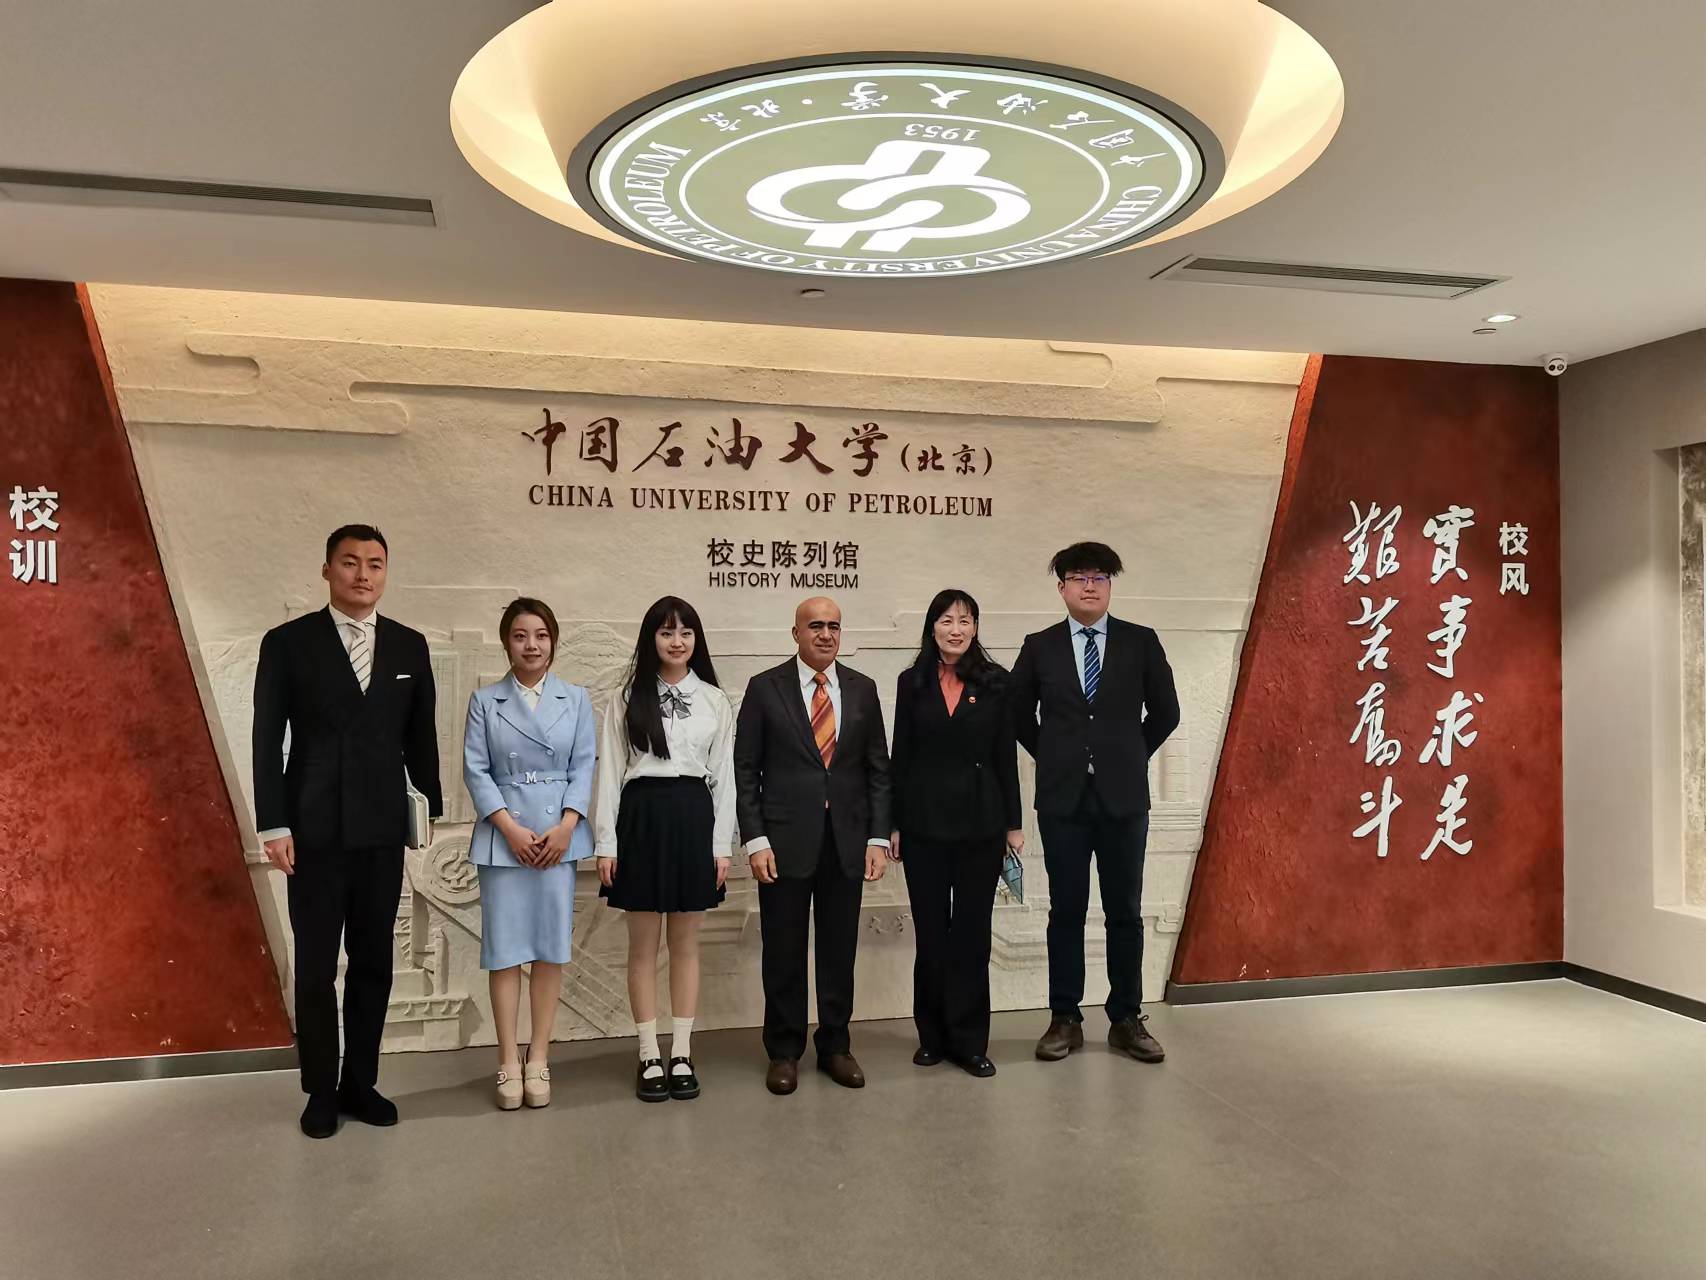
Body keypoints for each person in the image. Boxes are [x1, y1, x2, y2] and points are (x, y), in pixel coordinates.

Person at [253, 524, 442, 1139]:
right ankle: (319, 1089)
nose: (363, 574)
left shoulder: (410, 646)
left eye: (375, 564)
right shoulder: (288, 643)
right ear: (327, 570)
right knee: (314, 965)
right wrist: (274, 822)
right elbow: (266, 740)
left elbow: (421, 736)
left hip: (381, 829)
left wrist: (429, 810)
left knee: (374, 961)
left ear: (386, 573)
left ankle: (361, 1081)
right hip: (311, 831)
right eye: (350, 562)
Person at [1010, 542, 1179, 1065]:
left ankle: (1126, 1018)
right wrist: (1056, 757)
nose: (1090, 586)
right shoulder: (1039, 646)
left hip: (1123, 801)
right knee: (1066, 910)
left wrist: (1126, 755)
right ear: (1061, 587)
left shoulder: (1140, 642)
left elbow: (1166, 712)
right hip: (1063, 801)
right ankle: (1065, 1018)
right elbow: (1017, 714)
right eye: (1079, 577)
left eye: (1100, 577)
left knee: (1124, 910)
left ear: (1110, 586)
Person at [734, 596, 891, 1095]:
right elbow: (745, 769)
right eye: (816, 626)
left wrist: (877, 837)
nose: (826, 634)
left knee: (839, 949)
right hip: (782, 842)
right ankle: (784, 1051)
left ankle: (836, 1046)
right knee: (783, 950)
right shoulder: (765, 688)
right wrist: (755, 839)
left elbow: (878, 769)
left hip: (847, 840)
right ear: (796, 633)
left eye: (834, 627)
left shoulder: (862, 689)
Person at [594, 597, 735, 1103]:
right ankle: (648, 1052)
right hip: (641, 818)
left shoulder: (715, 700)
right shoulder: (627, 697)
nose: (677, 642)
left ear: (697, 640)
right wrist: (606, 842)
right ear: (650, 638)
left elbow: (725, 779)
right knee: (643, 945)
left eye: (686, 633)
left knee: (685, 944)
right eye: (666, 632)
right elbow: (610, 771)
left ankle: (682, 1052)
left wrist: (722, 845)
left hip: (694, 817)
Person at [463, 597, 595, 1111]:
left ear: (553, 641)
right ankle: (506, 1058)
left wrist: (567, 826)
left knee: (548, 948)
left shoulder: (576, 699)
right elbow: (476, 770)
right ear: (506, 643)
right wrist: (510, 829)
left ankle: (538, 1056)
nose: (531, 645)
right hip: (505, 838)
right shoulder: (485, 700)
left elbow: (584, 765)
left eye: (540, 635)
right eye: (520, 636)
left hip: (558, 837)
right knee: (504, 951)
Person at [888, 589, 1022, 1078]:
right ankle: (932, 1037)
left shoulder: (995, 681)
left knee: (970, 934)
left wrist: (1013, 824)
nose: (956, 629)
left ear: (976, 628)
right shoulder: (911, 682)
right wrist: (892, 823)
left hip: (981, 824)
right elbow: (901, 754)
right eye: (947, 620)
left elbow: (1006, 754)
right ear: (932, 627)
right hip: (922, 824)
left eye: (966, 620)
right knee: (931, 935)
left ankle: (969, 1042)